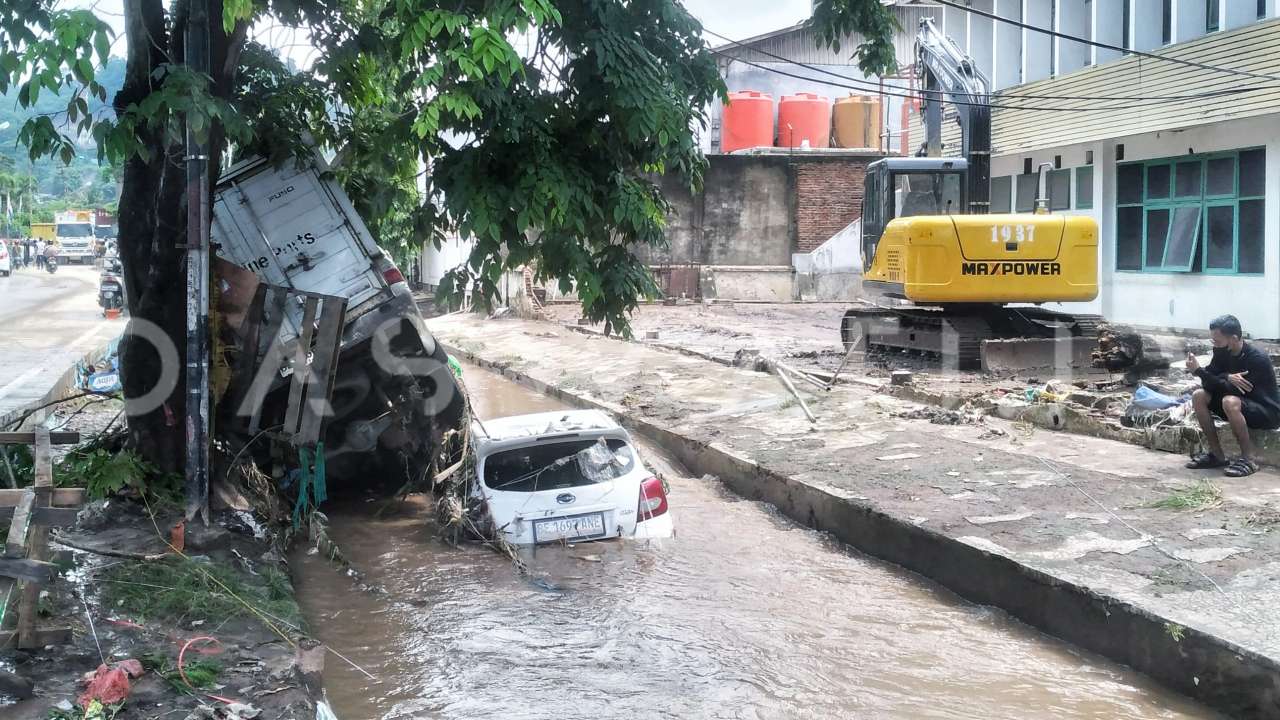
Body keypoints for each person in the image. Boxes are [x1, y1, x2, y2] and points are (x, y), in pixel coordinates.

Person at [1185, 314, 1280, 477]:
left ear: (1234, 338)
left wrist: (1201, 372)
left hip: (1266, 411)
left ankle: (1248, 459)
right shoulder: (1222, 352)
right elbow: (1209, 383)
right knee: (1199, 396)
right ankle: (1217, 455)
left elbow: (1232, 391)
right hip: (1238, 405)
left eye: (1218, 341)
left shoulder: (1257, 358)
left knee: (1229, 401)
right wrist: (1225, 376)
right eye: (1213, 341)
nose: (1215, 344)